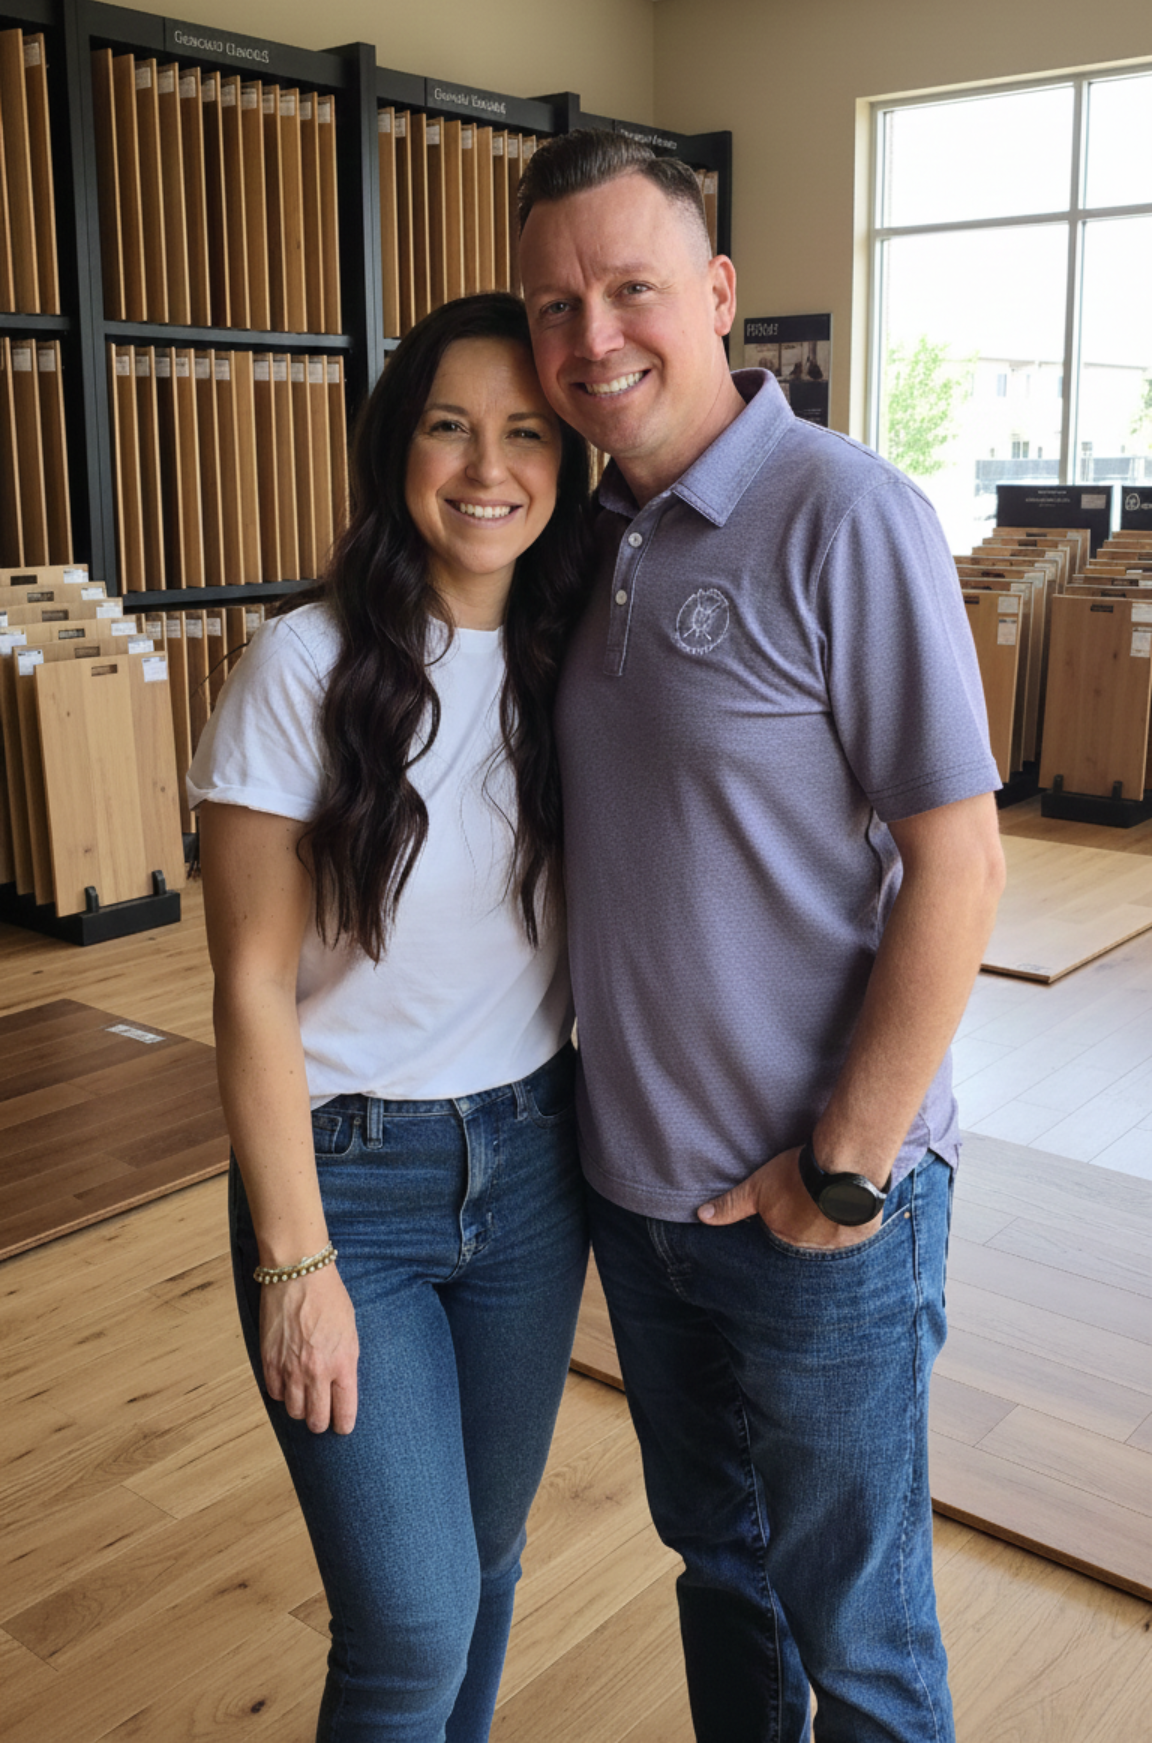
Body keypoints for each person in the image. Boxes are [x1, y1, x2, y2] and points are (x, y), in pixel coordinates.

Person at [517, 131, 1006, 1743]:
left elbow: (961, 861)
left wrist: (846, 1168)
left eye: (633, 288)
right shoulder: (580, 544)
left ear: (717, 293)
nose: (594, 337)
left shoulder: (842, 509)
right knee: (718, 1571)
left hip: (822, 1219)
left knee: (857, 1631)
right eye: (555, 303)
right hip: (641, 1203)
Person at [189, 292, 592, 1742]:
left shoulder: (577, 654)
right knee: (410, 1619)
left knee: (485, 1569)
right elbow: (245, 985)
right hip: (348, 1177)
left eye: (527, 432)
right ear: (397, 447)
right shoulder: (303, 663)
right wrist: (292, 1261)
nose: (489, 466)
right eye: (449, 425)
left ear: (568, 457)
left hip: (537, 1168)